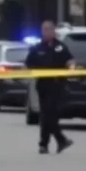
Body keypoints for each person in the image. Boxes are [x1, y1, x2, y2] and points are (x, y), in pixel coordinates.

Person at [25, 20, 76, 154]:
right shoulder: (37, 48)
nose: (47, 32)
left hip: (57, 84)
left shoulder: (61, 47)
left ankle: (49, 143)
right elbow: (28, 64)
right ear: (42, 31)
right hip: (43, 85)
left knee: (48, 114)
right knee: (46, 114)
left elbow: (70, 61)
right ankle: (54, 142)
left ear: (54, 31)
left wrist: (71, 68)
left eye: (49, 29)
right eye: (45, 29)